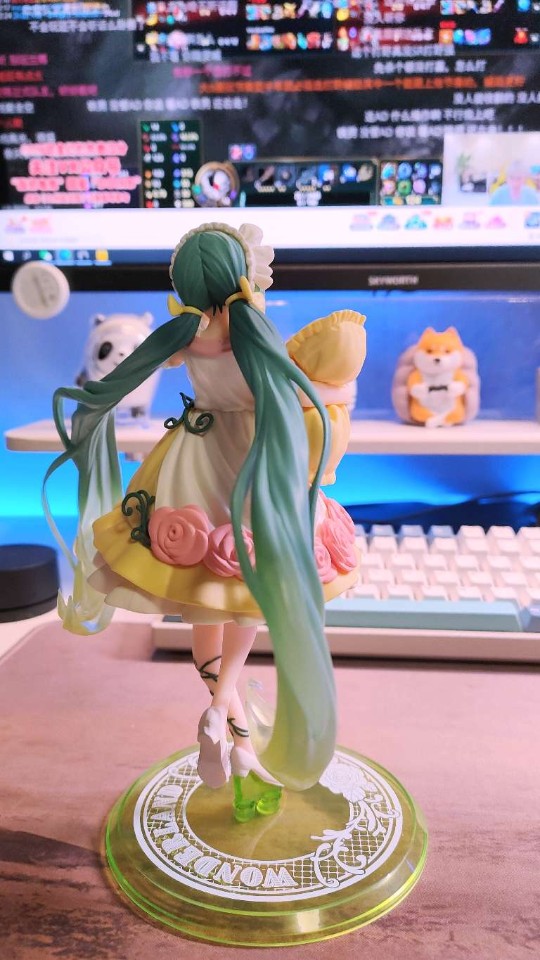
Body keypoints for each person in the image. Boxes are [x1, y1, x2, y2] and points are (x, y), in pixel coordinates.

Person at [43, 222, 366, 793]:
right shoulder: (252, 331)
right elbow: (303, 392)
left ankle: (228, 723)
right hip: (250, 462)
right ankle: (224, 714)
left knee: (200, 597)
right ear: (241, 274)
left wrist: (88, 414)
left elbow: (122, 378)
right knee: (243, 591)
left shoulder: (186, 333)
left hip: (193, 456)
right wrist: (339, 393)